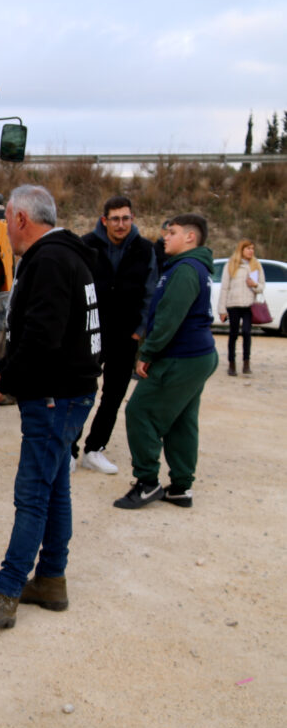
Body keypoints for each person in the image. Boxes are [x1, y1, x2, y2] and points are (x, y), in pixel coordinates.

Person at [0, 185, 101, 630]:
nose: (5, 230)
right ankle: (51, 580)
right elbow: (39, 332)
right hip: (72, 392)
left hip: (54, 396)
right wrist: (6, 372)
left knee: (32, 496)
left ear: (21, 219)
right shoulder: (73, 255)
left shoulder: (47, 261)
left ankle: (6, 590)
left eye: (6, 220)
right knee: (55, 484)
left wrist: (4, 381)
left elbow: (41, 337)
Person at [114, 214, 218, 510]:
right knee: (181, 419)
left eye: (171, 232)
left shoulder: (185, 269)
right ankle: (181, 488)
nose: (164, 238)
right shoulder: (192, 267)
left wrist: (147, 354)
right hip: (197, 355)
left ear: (190, 237)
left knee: (139, 411)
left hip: (182, 356)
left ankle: (147, 482)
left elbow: (170, 318)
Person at [72, 196, 158, 475]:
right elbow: (74, 287)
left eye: (126, 218)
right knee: (80, 390)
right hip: (90, 333)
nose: (121, 224)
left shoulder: (145, 249)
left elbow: (150, 291)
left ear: (132, 219)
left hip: (125, 335)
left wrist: (140, 330)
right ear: (104, 220)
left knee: (113, 395)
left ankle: (94, 450)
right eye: (115, 218)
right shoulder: (86, 244)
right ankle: (68, 450)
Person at [218, 239, 265, 376]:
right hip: (233, 305)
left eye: (252, 248)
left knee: (246, 333)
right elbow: (224, 288)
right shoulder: (231, 264)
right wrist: (222, 310)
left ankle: (246, 363)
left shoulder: (256, 265)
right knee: (233, 334)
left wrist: (255, 285)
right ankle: (231, 364)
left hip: (249, 305)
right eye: (248, 248)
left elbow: (262, 286)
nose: (251, 251)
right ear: (241, 250)